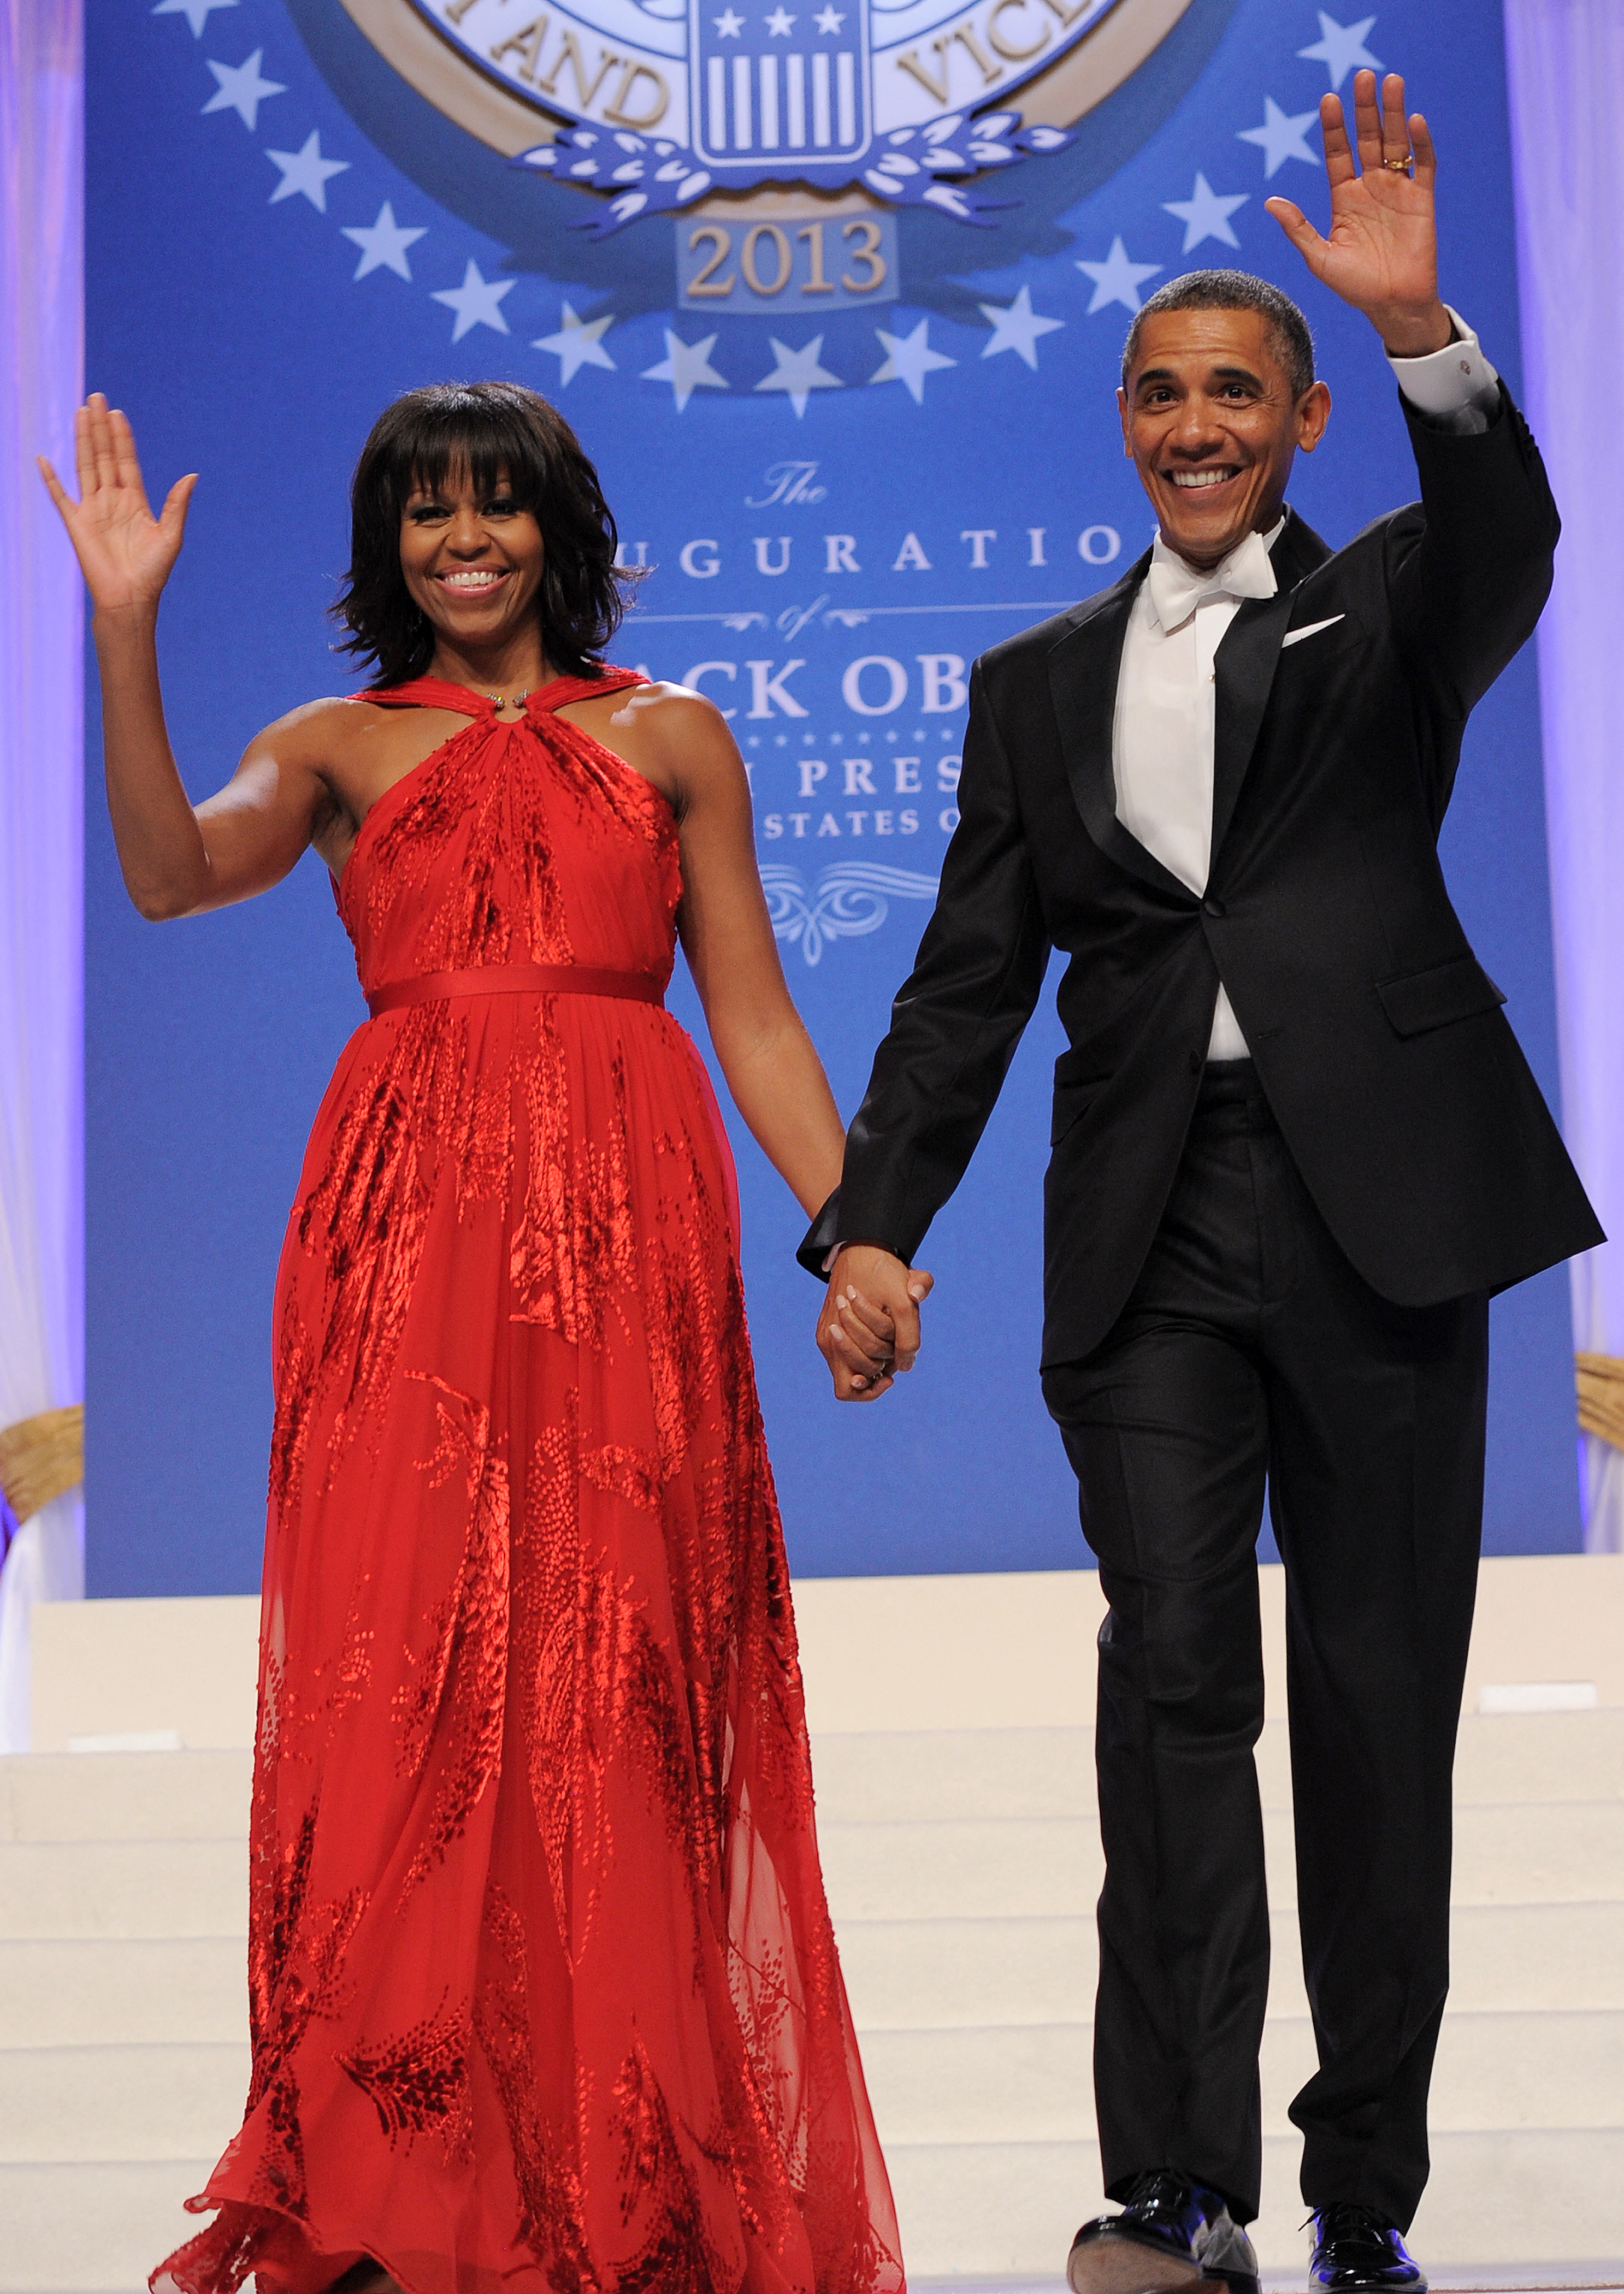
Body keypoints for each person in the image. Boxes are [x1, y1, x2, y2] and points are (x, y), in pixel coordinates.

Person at [804, 68, 1602, 2294]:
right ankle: (1176, 2186)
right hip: (1147, 1231)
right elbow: (964, 992)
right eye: (1157, 392)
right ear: (1124, 422)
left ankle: (1359, 2194)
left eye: (1234, 389)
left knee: (1370, 1706)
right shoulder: (1037, 687)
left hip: (1385, 1219)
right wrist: (878, 1216)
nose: (1191, 424)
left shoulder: (1394, 619)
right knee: (1170, 1683)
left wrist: (1431, 320)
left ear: (1305, 421)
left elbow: (1517, 544)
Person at [43, 380, 903, 2294]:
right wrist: (122, 629)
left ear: (556, 526)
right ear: (388, 546)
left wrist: (858, 1230)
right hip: (404, 1242)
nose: (463, 542)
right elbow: (174, 874)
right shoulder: (338, 744)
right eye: (426, 512)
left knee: (627, 1675)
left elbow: (751, 1009)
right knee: (402, 1683)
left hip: (632, 1235)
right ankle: (391, 2186)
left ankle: (628, 2169)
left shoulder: (672, 735)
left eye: (495, 506)